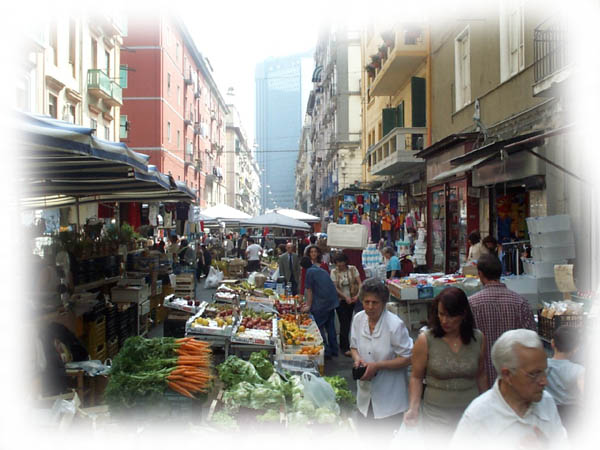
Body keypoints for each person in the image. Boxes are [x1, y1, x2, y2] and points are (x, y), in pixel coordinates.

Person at [451, 329, 567, 448]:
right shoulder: (478, 416)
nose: (544, 381)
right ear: (507, 375)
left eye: (545, 371)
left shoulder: (546, 402)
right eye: (534, 374)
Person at [404, 287, 487, 437]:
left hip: (470, 415)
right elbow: (416, 377)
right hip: (436, 417)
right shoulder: (426, 340)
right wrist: (413, 407)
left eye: (450, 316)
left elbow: (481, 375)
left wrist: (487, 405)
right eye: (441, 314)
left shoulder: (478, 338)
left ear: (463, 314)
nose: (444, 321)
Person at [350, 278, 413, 437]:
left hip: (390, 398)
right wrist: (358, 359)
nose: (370, 307)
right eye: (366, 302)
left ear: (384, 303)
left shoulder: (394, 325)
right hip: (365, 396)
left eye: (375, 302)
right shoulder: (358, 319)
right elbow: (354, 346)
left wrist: (378, 366)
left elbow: (408, 357)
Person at [468, 254, 536, 389]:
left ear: (480, 274)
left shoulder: (472, 304)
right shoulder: (520, 302)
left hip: (482, 378)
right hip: (514, 377)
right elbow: (531, 340)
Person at [545, 325, 585, 433]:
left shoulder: (542, 366)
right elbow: (584, 394)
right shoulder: (579, 370)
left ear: (552, 343)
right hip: (571, 417)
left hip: (548, 412)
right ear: (576, 349)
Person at [300, 256, 339, 359]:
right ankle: (334, 349)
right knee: (330, 326)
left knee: (319, 326)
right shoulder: (320, 269)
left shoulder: (309, 272)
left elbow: (309, 291)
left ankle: (326, 351)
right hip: (332, 301)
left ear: (303, 267)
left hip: (322, 304)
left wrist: (308, 305)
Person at [330, 253, 361, 357]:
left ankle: (346, 345)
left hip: (352, 298)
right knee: (344, 322)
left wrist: (357, 295)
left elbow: (359, 283)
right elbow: (334, 288)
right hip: (340, 300)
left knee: (349, 320)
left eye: (341, 262)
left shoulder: (352, 269)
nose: (339, 264)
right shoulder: (334, 272)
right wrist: (344, 297)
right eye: (337, 262)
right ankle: (345, 346)